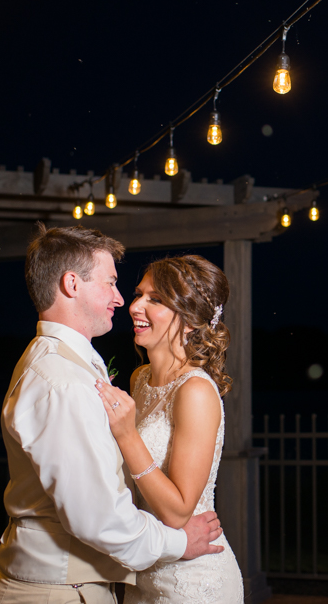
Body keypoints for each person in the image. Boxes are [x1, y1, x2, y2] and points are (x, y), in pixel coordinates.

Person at [0, 225, 224, 604]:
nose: (123, 300)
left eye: (154, 298)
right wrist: (178, 542)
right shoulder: (67, 380)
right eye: (114, 284)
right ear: (72, 284)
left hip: (170, 574)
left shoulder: (68, 366)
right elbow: (98, 517)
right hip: (69, 584)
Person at [95, 255, 244, 603]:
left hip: (193, 580)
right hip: (147, 567)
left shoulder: (195, 391)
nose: (135, 307)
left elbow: (178, 511)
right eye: (139, 294)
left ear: (191, 320)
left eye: (156, 300)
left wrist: (127, 434)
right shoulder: (140, 378)